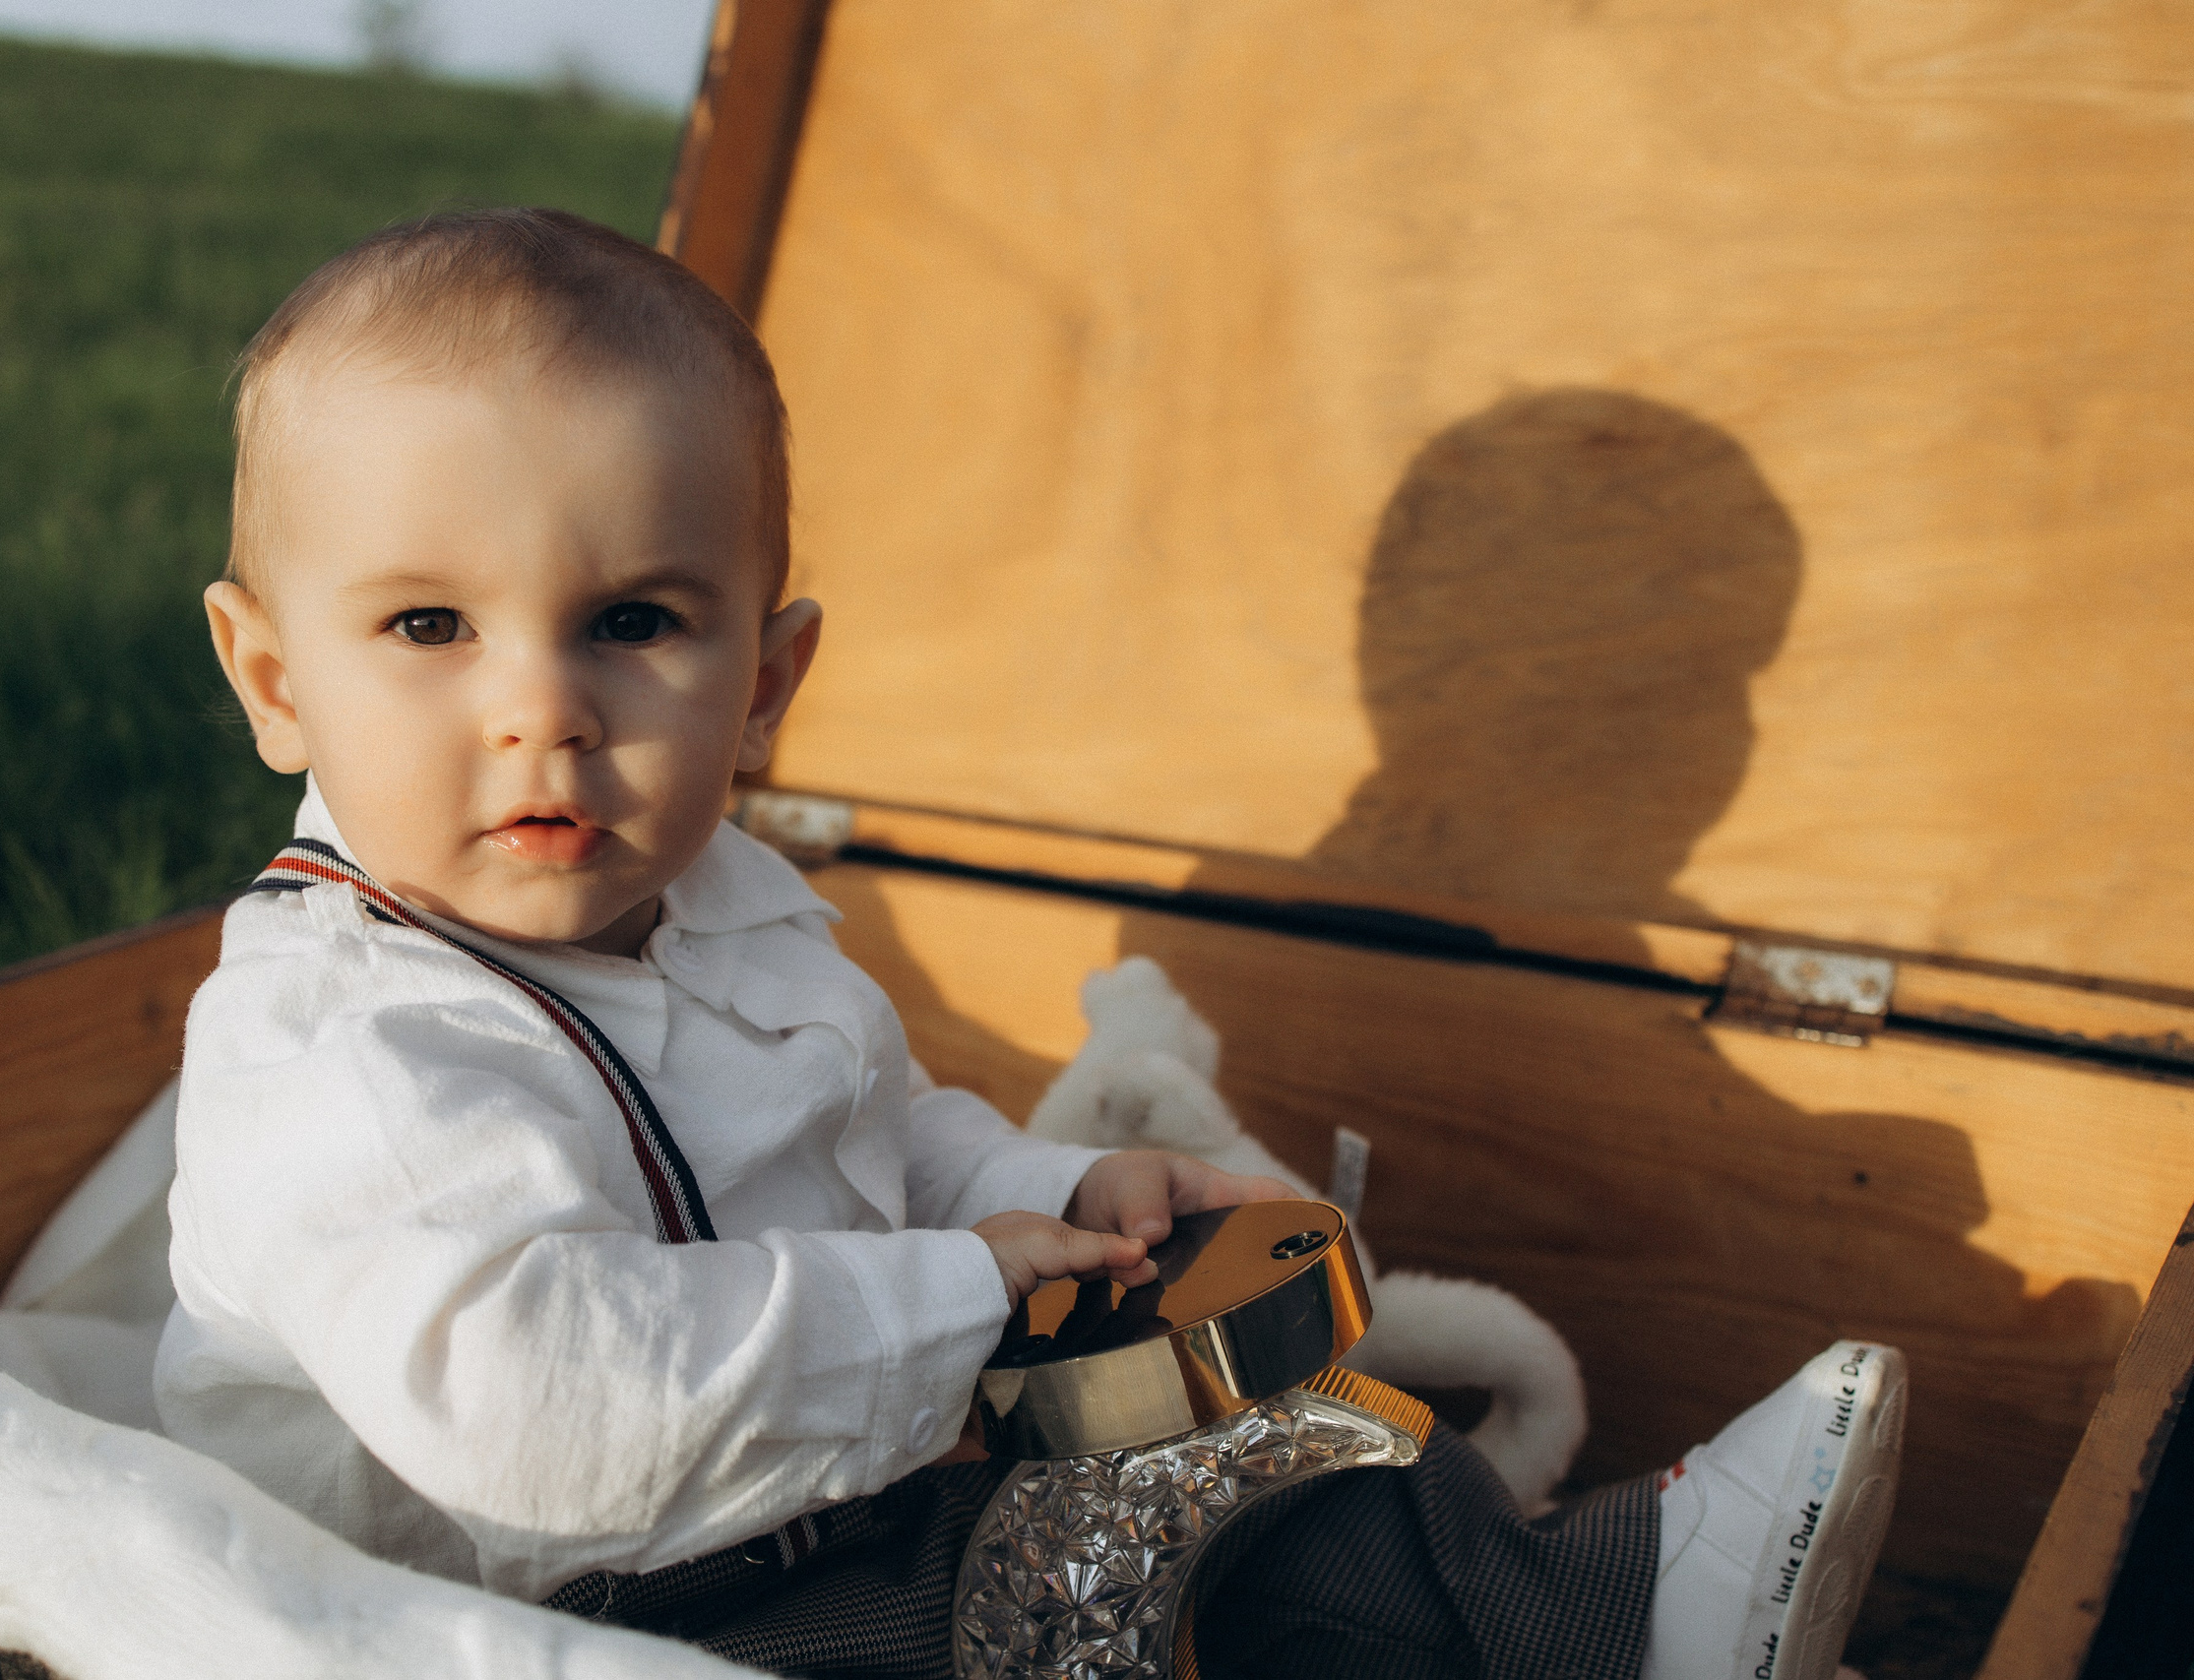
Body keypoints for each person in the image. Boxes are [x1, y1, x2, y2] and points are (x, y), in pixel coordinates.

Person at [156, 207, 1905, 1680]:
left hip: (798, 1509)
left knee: (1272, 1445)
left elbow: (871, 1133)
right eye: (428, 624)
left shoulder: (719, 907)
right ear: (276, 681)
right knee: (1147, 1538)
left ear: (763, 685)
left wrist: (1051, 1190)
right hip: (530, 1617)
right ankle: (1587, 1625)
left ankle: (1595, 1605)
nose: (540, 707)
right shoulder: (356, 1054)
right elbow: (546, 1413)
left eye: (632, 621)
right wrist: (969, 1298)